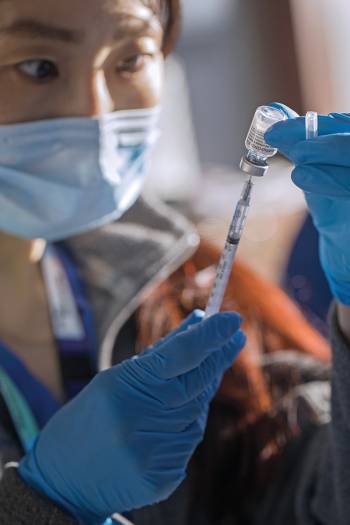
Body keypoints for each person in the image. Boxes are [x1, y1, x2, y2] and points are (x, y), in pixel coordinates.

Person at [0, 1, 348, 525]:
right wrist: (36, 504)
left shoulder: (178, 284)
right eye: (38, 66)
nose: (96, 114)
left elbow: (315, 500)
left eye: (131, 60)